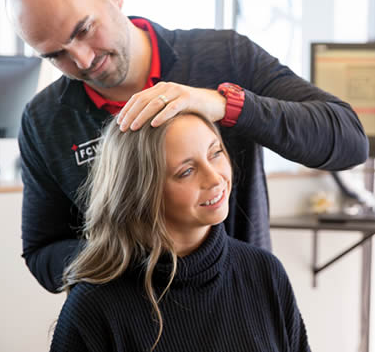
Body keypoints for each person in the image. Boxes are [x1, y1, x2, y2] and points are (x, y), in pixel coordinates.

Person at [5, 0, 368, 293]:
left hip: (241, 308)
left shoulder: (226, 57)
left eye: (83, 30)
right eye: (56, 56)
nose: (82, 61)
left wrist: (224, 105)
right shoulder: (44, 120)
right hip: (125, 323)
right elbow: (43, 252)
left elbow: (348, 140)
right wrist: (129, 254)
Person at [50, 112, 311, 352]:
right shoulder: (93, 308)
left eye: (215, 152)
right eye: (186, 171)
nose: (214, 178)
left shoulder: (264, 271)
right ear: (142, 193)